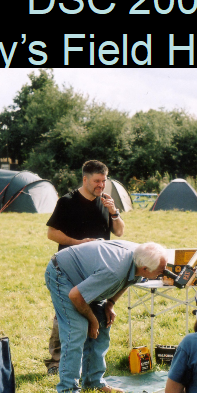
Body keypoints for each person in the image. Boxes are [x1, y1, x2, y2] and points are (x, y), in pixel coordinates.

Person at [45, 240, 167, 393]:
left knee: (103, 321)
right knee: (77, 330)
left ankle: (94, 383)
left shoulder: (139, 259)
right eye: (160, 271)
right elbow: (76, 296)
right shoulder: (115, 270)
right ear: (145, 268)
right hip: (63, 274)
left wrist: (110, 303)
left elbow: (129, 280)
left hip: (90, 276)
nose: (164, 273)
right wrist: (91, 320)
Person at [44, 160, 125, 375]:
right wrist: (79, 243)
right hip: (69, 267)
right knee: (65, 312)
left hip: (97, 269)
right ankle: (55, 362)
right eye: (97, 181)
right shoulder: (67, 202)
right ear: (85, 179)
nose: (101, 186)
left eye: (104, 181)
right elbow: (51, 233)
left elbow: (119, 233)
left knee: (94, 312)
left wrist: (114, 213)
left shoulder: (106, 201)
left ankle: (88, 362)